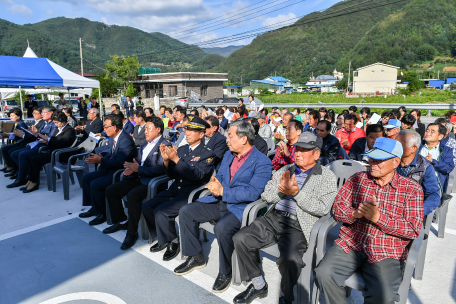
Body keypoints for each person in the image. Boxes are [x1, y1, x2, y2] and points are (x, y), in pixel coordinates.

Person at [315, 137, 424, 304]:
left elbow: (413, 228)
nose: (372, 163)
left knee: (384, 296)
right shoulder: (358, 179)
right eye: (371, 158)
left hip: (386, 251)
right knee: (323, 273)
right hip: (352, 243)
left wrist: (379, 218)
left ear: (395, 162)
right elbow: (337, 209)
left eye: (379, 160)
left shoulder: (411, 189)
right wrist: (354, 214)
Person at [233, 132, 337, 304]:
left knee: (290, 259)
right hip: (274, 218)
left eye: (304, 150)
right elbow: (266, 195)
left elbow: (323, 208)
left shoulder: (326, 177)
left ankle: (287, 296)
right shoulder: (285, 170)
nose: (298, 153)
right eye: (297, 149)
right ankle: (258, 283)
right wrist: (282, 190)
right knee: (241, 238)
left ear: (316, 154)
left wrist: (297, 194)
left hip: (298, 224)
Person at [174, 120, 272, 293]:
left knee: (222, 228)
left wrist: (223, 191)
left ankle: (225, 271)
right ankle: (196, 256)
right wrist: (215, 182)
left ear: (243, 139)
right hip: (219, 201)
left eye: (231, 136)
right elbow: (220, 175)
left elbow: (253, 193)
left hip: (241, 208)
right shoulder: (229, 155)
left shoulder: (262, 161)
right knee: (186, 212)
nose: (227, 139)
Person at [145, 115, 216, 261]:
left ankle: (174, 242)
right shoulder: (183, 149)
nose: (187, 133)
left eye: (192, 130)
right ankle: (163, 236)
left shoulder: (208, 153)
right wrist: (166, 160)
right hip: (175, 189)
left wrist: (176, 159)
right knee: (147, 206)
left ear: (201, 134)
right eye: (187, 129)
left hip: (190, 194)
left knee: (161, 211)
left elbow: (197, 175)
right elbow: (171, 174)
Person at [104, 116, 172, 249]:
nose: (145, 131)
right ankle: (122, 221)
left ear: (158, 130)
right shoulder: (145, 144)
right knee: (111, 190)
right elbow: (140, 161)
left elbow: (161, 169)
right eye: (145, 128)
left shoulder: (165, 145)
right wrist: (132, 166)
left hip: (152, 183)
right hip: (139, 178)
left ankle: (132, 233)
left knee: (132, 195)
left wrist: (139, 168)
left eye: (148, 128)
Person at [78, 114, 137, 225]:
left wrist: (100, 161)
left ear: (114, 127)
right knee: (87, 178)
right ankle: (94, 207)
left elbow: (119, 162)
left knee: (96, 184)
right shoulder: (114, 137)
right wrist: (100, 155)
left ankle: (102, 213)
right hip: (111, 168)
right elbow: (111, 151)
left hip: (120, 172)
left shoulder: (125, 140)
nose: (104, 130)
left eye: (106, 127)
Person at [22, 111, 76, 193]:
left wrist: (48, 139)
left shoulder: (69, 130)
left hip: (62, 154)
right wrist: (46, 141)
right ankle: (30, 180)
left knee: (34, 160)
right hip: (53, 152)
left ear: (63, 121)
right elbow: (54, 141)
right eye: (55, 122)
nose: (56, 124)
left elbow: (62, 143)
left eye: (57, 122)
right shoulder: (58, 129)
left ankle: (34, 182)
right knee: (30, 157)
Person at [7, 106, 57, 188]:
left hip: (43, 146)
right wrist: (31, 132)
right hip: (35, 143)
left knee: (22, 154)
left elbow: (49, 138)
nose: (42, 114)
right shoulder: (45, 123)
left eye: (44, 112)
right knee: (14, 154)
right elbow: (37, 135)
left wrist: (36, 134)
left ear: (51, 113)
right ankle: (25, 174)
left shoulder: (54, 124)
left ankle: (22, 178)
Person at [396, 130, 441, 215]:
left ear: (413, 148)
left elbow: (434, 196)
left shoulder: (425, 167)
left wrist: (416, 212)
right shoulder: (390, 161)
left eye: (400, 145)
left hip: (411, 210)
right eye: (395, 143)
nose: (395, 147)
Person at [419, 123, 455, 192]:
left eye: (432, 131)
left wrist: (433, 161)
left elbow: (448, 168)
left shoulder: (446, 150)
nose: (428, 133)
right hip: (416, 182)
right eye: (427, 130)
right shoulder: (417, 145)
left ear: (440, 136)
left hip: (434, 185)